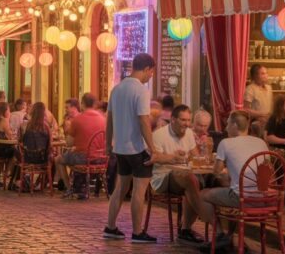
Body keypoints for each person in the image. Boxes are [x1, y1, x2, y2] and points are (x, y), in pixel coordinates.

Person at [104, 53, 159, 244]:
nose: (151, 75)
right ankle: (137, 232)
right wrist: (153, 148)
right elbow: (143, 120)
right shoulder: (142, 91)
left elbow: (109, 119)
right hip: (137, 148)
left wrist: (107, 143)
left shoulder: (116, 89)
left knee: (120, 188)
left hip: (120, 148)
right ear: (146, 69)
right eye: (151, 72)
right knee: (139, 191)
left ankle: (110, 227)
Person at [198, 111, 270, 250]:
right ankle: (229, 236)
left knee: (202, 195)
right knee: (232, 189)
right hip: (263, 199)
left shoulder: (226, 143)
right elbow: (267, 169)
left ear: (235, 125)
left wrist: (224, 172)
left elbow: (216, 171)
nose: (225, 128)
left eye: (228, 124)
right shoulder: (261, 142)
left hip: (241, 198)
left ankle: (220, 235)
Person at [149, 105, 205, 245]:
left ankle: (186, 229)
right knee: (190, 179)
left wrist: (204, 157)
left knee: (211, 180)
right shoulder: (158, 135)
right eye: (183, 120)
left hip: (186, 176)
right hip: (162, 178)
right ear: (173, 119)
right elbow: (155, 158)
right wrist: (173, 157)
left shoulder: (189, 133)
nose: (186, 124)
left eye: (188, 120)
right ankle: (207, 217)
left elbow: (195, 156)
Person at [55, 93, 104, 196]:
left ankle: (69, 188)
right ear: (94, 104)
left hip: (83, 158)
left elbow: (69, 143)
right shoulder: (103, 119)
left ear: (82, 104)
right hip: (101, 159)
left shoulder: (77, 119)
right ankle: (81, 185)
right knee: (72, 156)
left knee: (59, 159)